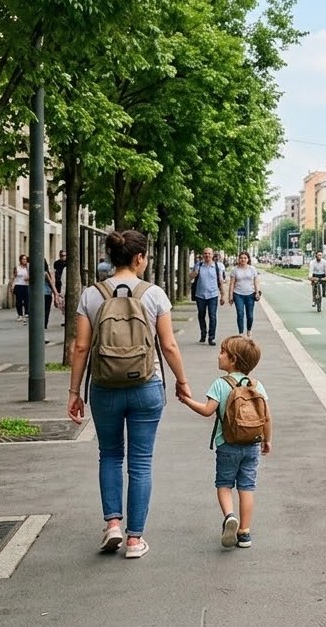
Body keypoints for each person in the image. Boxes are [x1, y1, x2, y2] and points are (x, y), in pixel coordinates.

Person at [67, 230, 191, 560]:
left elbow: (80, 347)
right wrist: (182, 381)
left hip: (105, 386)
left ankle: (112, 525)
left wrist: (74, 391)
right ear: (139, 259)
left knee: (109, 454)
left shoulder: (91, 295)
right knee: (141, 462)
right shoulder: (154, 295)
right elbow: (168, 345)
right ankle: (135, 540)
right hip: (145, 386)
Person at [176, 335, 272, 550]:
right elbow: (266, 416)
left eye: (222, 352)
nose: (219, 356)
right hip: (252, 445)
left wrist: (186, 400)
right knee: (247, 487)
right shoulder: (257, 386)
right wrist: (267, 440)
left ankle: (229, 516)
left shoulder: (221, 384)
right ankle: (245, 533)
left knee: (224, 485)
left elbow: (207, 410)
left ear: (233, 360)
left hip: (227, 444)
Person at [190, 248, 227, 344]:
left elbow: (220, 281)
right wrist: (195, 273)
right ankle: (203, 333)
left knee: (212, 316)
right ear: (203, 255)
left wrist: (223, 295)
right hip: (200, 295)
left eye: (209, 254)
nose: (207, 255)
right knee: (201, 315)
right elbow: (191, 277)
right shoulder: (198, 265)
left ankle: (211, 337)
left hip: (213, 295)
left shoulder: (217, 266)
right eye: (205, 254)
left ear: (212, 255)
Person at [229, 252, 261, 337]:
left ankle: (249, 329)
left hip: (250, 294)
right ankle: (241, 332)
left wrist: (257, 292)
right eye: (241, 258)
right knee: (240, 313)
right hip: (238, 294)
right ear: (238, 259)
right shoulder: (235, 270)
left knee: (250, 315)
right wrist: (230, 296)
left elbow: (256, 281)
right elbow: (232, 284)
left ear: (248, 259)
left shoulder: (252, 269)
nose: (243, 259)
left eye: (245, 258)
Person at [9, 254, 30, 323]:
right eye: (23, 259)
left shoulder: (28, 267)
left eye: (25, 259)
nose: (24, 260)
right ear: (20, 260)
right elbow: (14, 277)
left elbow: (32, 275)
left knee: (27, 300)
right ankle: (20, 314)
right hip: (18, 285)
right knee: (19, 301)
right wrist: (12, 285)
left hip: (26, 285)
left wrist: (29, 278)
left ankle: (27, 313)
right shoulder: (17, 268)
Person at [54, 250, 69, 327]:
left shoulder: (68, 264)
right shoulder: (56, 263)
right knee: (62, 304)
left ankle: (67, 319)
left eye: (65, 255)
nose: (64, 257)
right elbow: (55, 272)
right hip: (59, 283)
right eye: (62, 255)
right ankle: (65, 318)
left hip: (66, 284)